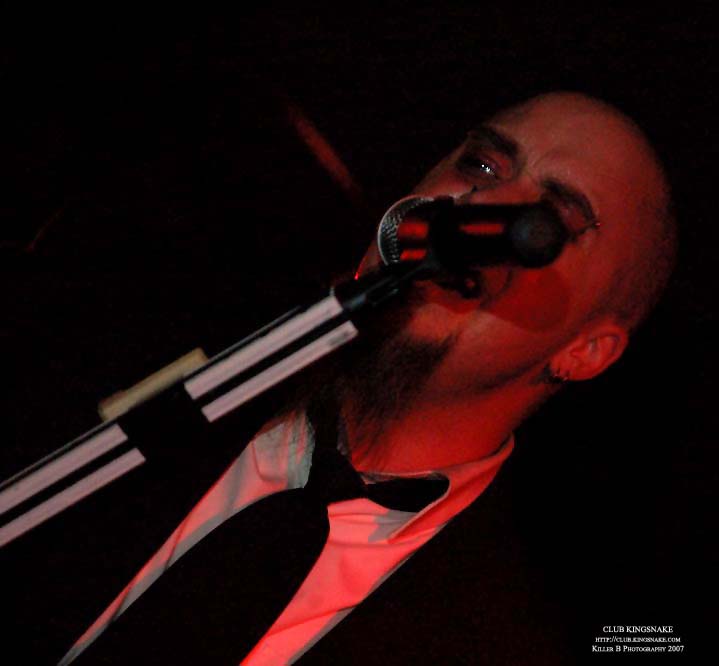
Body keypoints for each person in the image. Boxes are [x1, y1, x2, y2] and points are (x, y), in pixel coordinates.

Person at [60, 91, 677, 664]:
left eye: (546, 224)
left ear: (586, 350)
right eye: (482, 167)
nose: (481, 206)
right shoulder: (159, 345)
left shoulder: (498, 633)